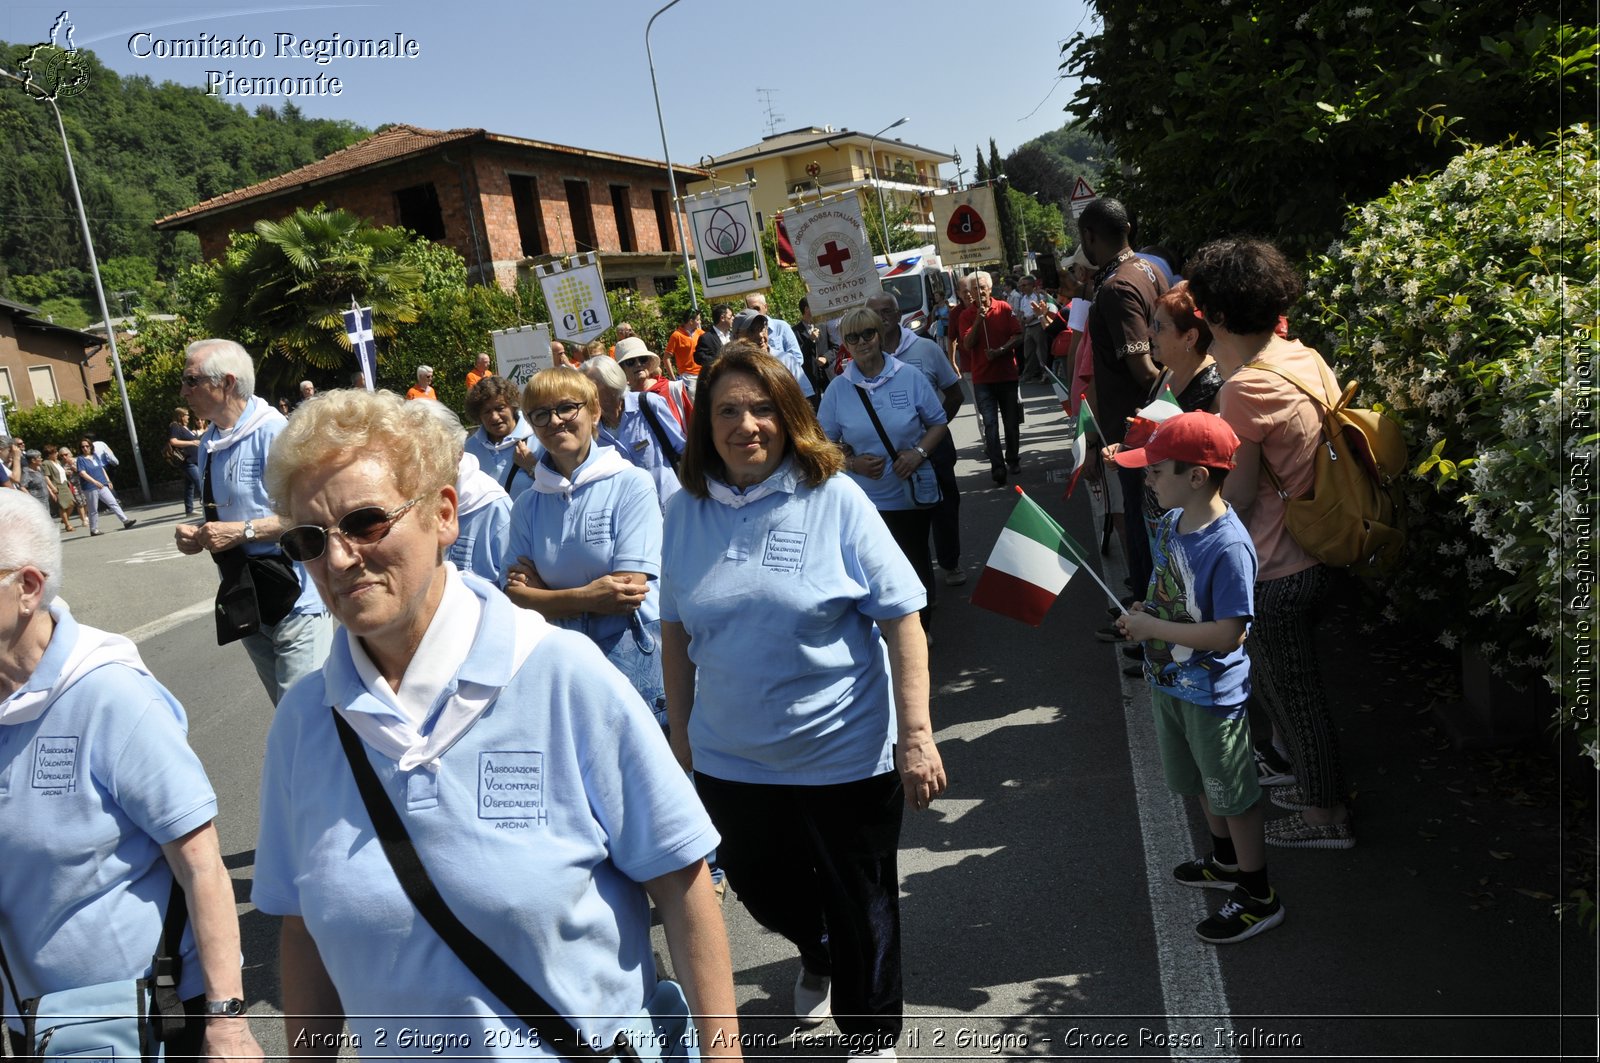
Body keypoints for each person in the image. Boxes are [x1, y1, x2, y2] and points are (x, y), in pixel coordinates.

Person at [251, 389, 740, 1059]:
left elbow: (684, 888)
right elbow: (303, 928)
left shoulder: (564, 677)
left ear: (444, 514)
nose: (338, 560)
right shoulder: (304, 724)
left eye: (365, 522)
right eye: (310, 538)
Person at [661, 346, 946, 1062]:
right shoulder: (684, 511)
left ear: (790, 417)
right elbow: (673, 630)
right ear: (705, 425)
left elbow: (903, 617)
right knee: (764, 892)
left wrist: (916, 735)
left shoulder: (835, 496)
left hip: (842, 754)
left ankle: (872, 1032)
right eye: (727, 410)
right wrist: (680, 740)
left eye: (762, 408)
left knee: (864, 902)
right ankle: (815, 949)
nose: (745, 424)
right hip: (733, 759)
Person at [0, 490, 263, 1061]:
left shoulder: (110, 695)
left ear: (28, 587)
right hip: (36, 1023)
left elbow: (202, 868)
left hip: (149, 1020)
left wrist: (227, 1024)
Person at [1188, 236, 1354, 850]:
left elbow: (1241, 492)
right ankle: (1317, 788)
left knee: (1295, 697)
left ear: (1217, 314)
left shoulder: (1243, 389)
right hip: (1323, 543)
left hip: (1280, 565)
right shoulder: (1302, 356)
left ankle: (1325, 817)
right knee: (1294, 690)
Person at [1111, 411, 1283, 943]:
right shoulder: (1169, 524)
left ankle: (1258, 894)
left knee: (1233, 792)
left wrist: (1152, 625)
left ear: (1197, 476)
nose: (1148, 478)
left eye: (1158, 470)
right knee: (1199, 782)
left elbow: (1231, 632)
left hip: (1211, 693)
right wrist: (1145, 610)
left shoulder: (1228, 547)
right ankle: (1226, 860)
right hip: (1172, 684)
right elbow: (1172, 596)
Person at [501, 369, 668, 727]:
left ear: (593, 412)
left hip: (634, 659)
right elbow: (515, 596)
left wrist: (546, 596)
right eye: (541, 414)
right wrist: (590, 595)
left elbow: (627, 591)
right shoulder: (529, 505)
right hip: (566, 665)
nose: (555, 421)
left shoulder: (630, 484)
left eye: (566, 408)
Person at [176, 339, 331, 706]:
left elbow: (313, 516)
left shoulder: (275, 433)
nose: (183, 390)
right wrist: (199, 532)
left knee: (304, 715)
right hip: (246, 595)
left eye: (191, 380)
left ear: (227, 383)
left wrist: (241, 532)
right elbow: (232, 511)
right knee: (285, 709)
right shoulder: (209, 441)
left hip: (294, 597)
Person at [817, 309, 949, 636]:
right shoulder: (838, 389)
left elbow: (938, 423)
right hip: (863, 500)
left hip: (907, 494)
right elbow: (822, 443)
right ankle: (882, 632)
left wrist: (918, 454)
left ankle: (921, 627)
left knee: (914, 560)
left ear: (879, 334)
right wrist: (851, 463)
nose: (861, 342)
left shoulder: (909, 376)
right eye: (852, 337)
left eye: (868, 334)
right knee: (871, 567)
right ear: (844, 344)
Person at [1078, 197, 1168, 597]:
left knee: (1143, 530)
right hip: (1151, 426)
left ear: (1089, 237)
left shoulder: (1116, 288)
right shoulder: (1149, 268)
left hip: (1137, 434)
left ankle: (1148, 632)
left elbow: (1143, 369)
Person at [866, 291, 965, 586]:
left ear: (898, 316)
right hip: (891, 451)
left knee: (944, 505)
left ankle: (950, 562)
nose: (882, 318)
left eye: (887, 311)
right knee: (902, 514)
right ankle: (914, 575)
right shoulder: (862, 357)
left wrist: (934, 429)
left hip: (934, 448)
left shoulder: (925, 348)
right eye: (876, 312)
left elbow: (955, 394)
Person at [418, 400, 513, 585]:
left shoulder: (494, 506)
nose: (421, 462)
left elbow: (513, 590)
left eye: (430, 450)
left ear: (459, 451)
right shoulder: (407, 503)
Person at [581, 355, 685, 510]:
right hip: (631, 514)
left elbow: (682, 448)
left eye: (590, 386)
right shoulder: (590, 428)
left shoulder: (648, 404)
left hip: (672, 506)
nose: (584, 394)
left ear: (612, 383)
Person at [957, 271, 1023, 485]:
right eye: (975, 289)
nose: (980, 292)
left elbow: (1019, 335)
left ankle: (1012, 458)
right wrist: (978, 320)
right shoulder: (966, 315)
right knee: (990, 424)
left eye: (983, 287)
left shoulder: (1004, 308)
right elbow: (967, 344)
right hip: (983, 380)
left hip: (1007, 376)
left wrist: (1002, 350)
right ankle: (997, 466)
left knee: (1011, 422)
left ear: (990, 289)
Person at [464, 375, 540, 500]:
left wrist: (533, 468)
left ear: (513, 406)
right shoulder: (470, 449)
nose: (494, 417)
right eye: (487, 411)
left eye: (500, 408)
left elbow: (561, 485)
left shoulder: (539, 438)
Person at [734, 307, 814, 401]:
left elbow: (807, 396)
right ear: (736, 337)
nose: (760, 335)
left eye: (762, 328)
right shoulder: (734, 370)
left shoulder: (786, 361)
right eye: (751, 331)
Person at [617, 336, 693, 430]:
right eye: (630, 361)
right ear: (622, 369)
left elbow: (693, 427)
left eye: (642, 359)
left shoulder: (672, 389)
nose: (638, 364)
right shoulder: (623, 402)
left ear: (649, 362)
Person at [74, 437, 136, 535]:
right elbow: (82, 473)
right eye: (83, 447)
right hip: (90, 487)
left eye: (87, 446)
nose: (85, 448)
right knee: (93, 509)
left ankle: (125, 521)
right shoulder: (81, 459)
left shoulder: (94, 456)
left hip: (102, 484)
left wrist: (108, 480)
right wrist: (94, 482)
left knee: (113, 502)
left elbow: (101, 468)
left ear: (90, 446)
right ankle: (94, 529)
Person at [169, 407, 203, 517]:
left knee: (189, 486)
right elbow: (173, 441)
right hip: (187, 461)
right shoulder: (175, 426)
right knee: (200, 483)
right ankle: (210, 507)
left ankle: (189, 510)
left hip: (193, 459)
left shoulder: (185, 427)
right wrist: (192, 442)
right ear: (181, 416)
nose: (188, 417)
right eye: (186, 415)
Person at [43, 446, 86, 532]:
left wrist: (66, 472)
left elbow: (61, 472)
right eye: (54, 453)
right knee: (62, 506)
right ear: (49, 455)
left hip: (65, 485)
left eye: (56, 452)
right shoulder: (46, 463)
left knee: (72, 503)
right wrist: (52, 488)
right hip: (57, 486)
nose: (56, 454)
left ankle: (65, 518)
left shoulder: (58, 462)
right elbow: (46, 477)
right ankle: (67, 525)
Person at [666, 308, 703, 395]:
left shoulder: (701, 333)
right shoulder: (676, 336)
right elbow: (666, 358)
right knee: (693, 406)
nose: (700, 322)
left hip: (703, 373)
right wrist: (673, 378)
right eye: (698, 320)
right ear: (691, 321)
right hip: (688, 377)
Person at [694, 304, 734, 373]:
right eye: (730, 316)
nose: (733, 318)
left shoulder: (733, 335)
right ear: (722, 318)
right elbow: (698, 357)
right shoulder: (706, 338)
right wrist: (719, 360)